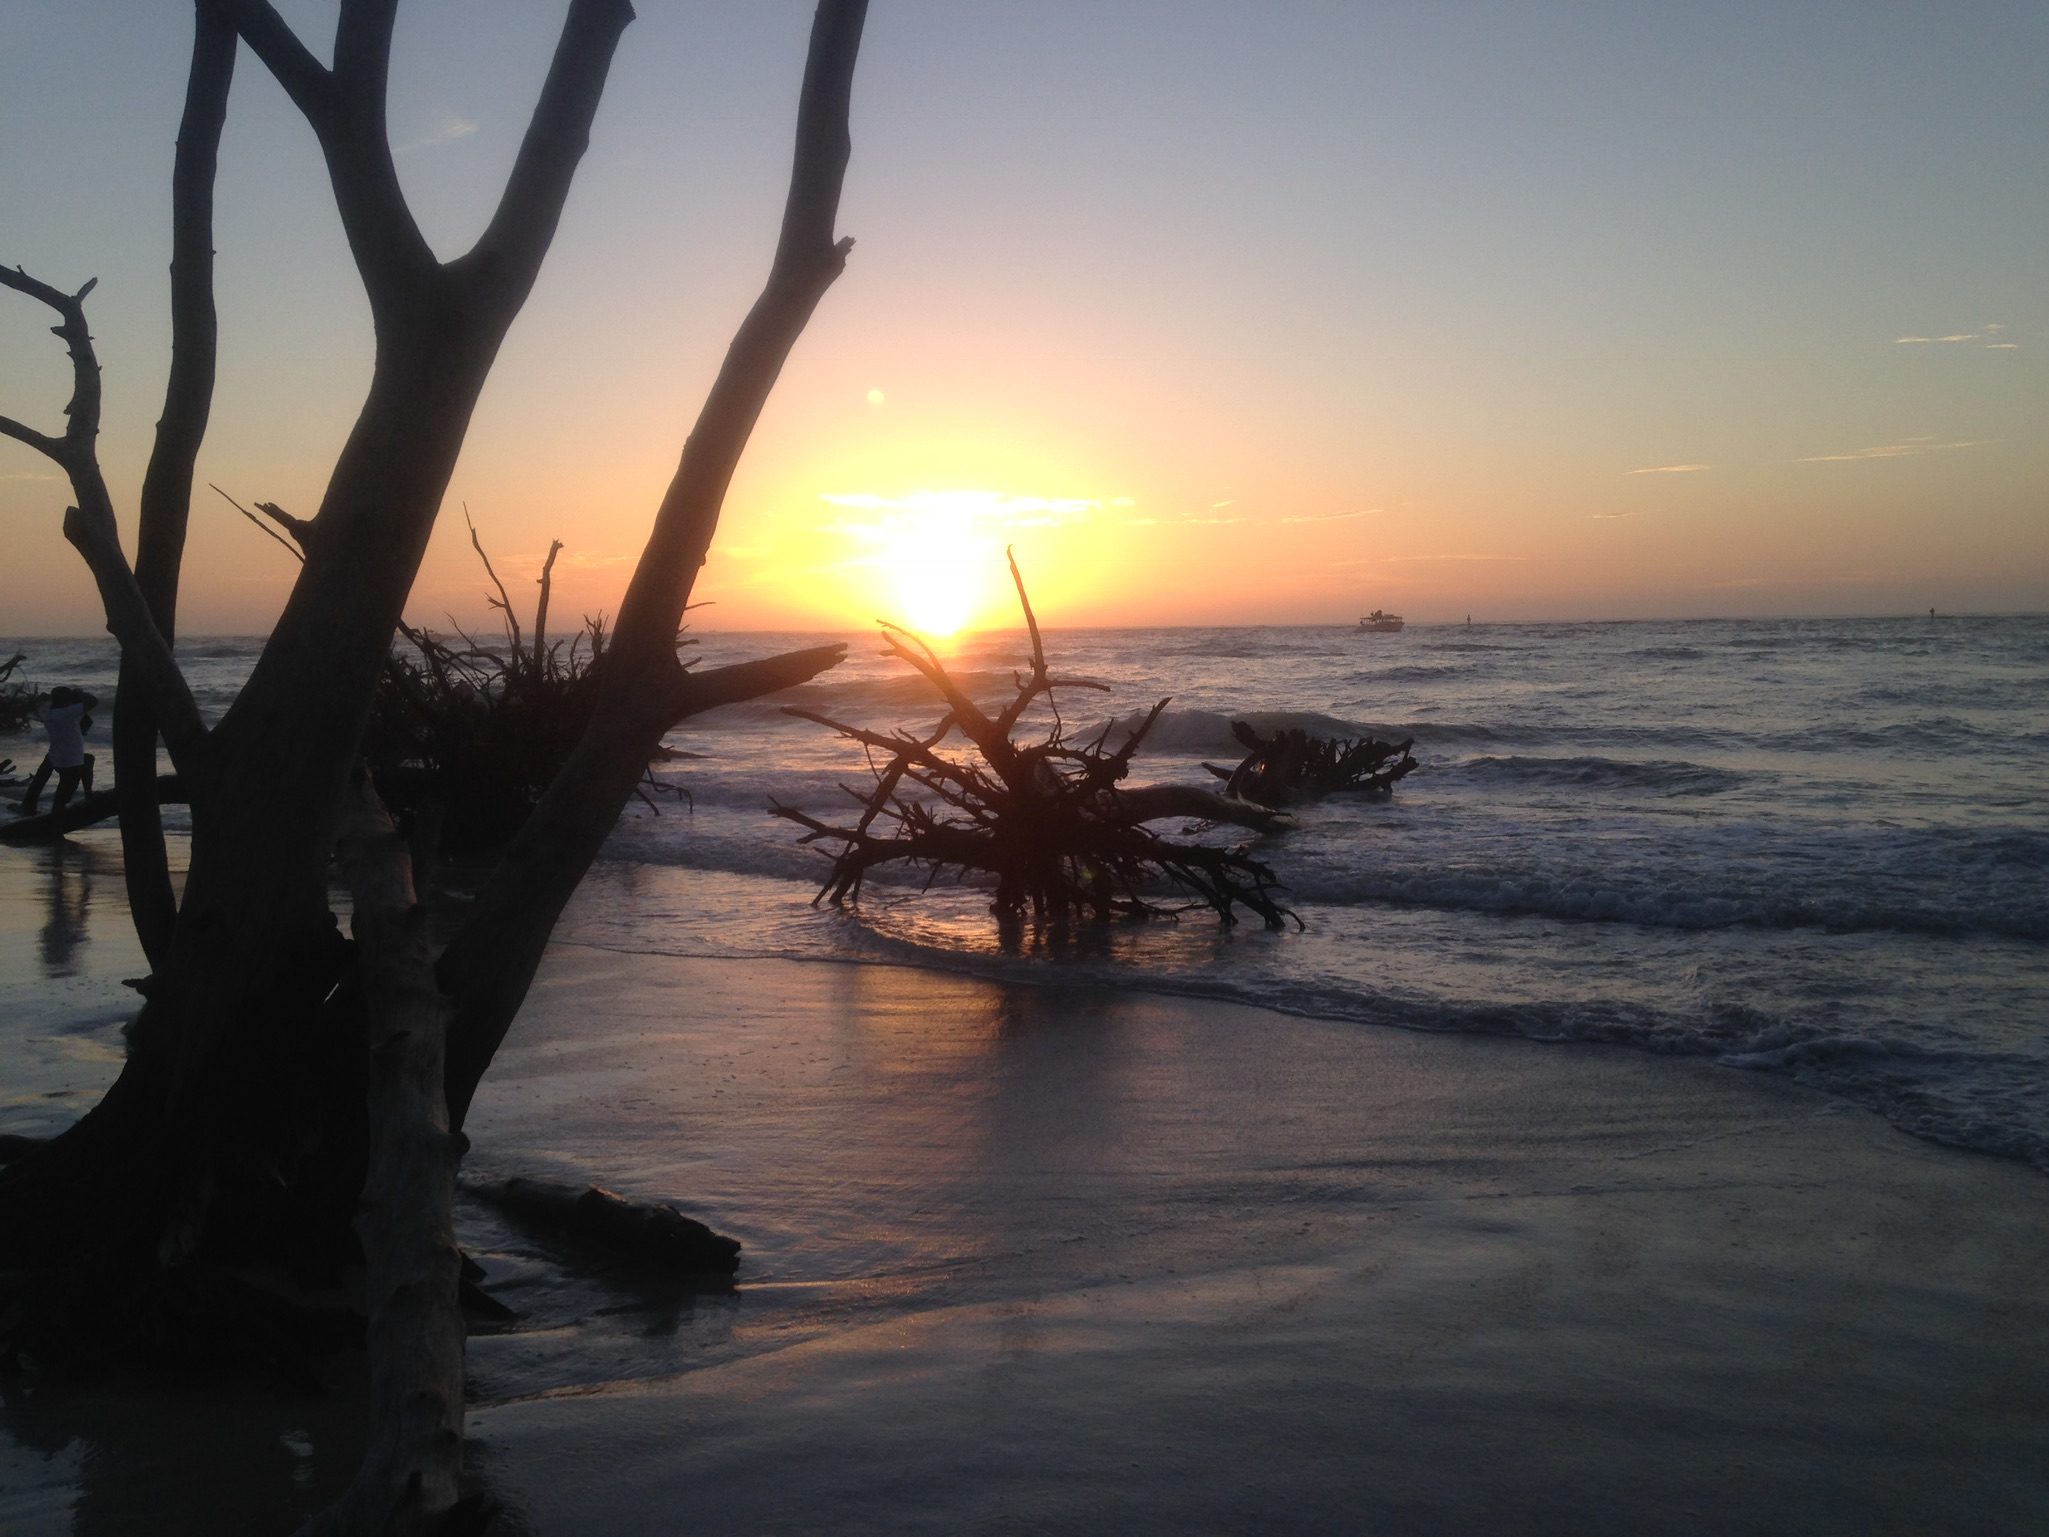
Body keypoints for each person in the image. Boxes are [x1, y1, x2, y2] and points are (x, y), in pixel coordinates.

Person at [17, 686, 98, 817]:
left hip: (57, 756)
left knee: (88, 759)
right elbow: (93, 701)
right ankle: (56, 822)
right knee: (63, 795)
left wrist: (74, 697)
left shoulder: (51, 714)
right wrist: (80, 693)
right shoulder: (67, 713)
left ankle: (30, 802)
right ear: (65, 700)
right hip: (70, 761)